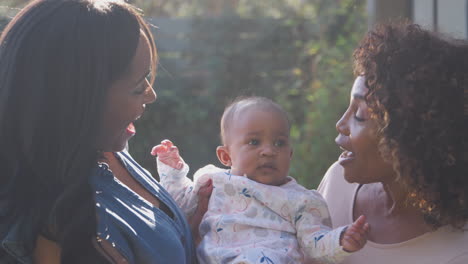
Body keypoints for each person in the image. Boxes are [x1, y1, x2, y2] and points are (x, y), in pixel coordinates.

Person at [0, 0, 211, 263]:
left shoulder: (109, 150)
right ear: (77, 100)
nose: (151, 95)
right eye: (136, 87)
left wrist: (185, 237)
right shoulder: (61, 233)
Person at [152, 97, 370, 264]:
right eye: (254, 142)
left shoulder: (300, 200)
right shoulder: (213, 181)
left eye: (279, 143)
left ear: (290, 154)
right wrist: (173, 171)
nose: (268, 151)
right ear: (226, 156)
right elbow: (179, 207)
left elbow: (314, 242)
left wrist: (341, 240)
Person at [318, 22, 468, 264]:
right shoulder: (336, 185)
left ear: (408, 134)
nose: (341, 124)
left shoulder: (459, 250)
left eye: (360, 114)